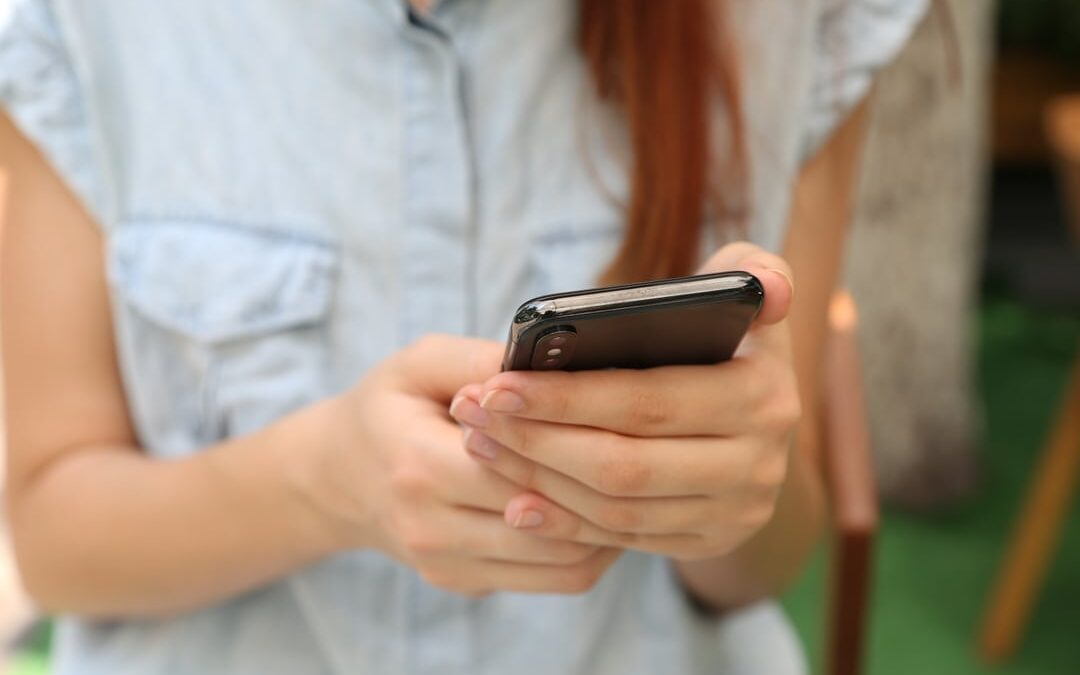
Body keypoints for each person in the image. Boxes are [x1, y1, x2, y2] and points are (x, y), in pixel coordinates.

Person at [0, 1, 926, 673]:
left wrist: (729, 491)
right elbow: (54, 541)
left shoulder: (794, 20)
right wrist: (323, 485)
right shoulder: (86, 24)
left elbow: (772, 553)